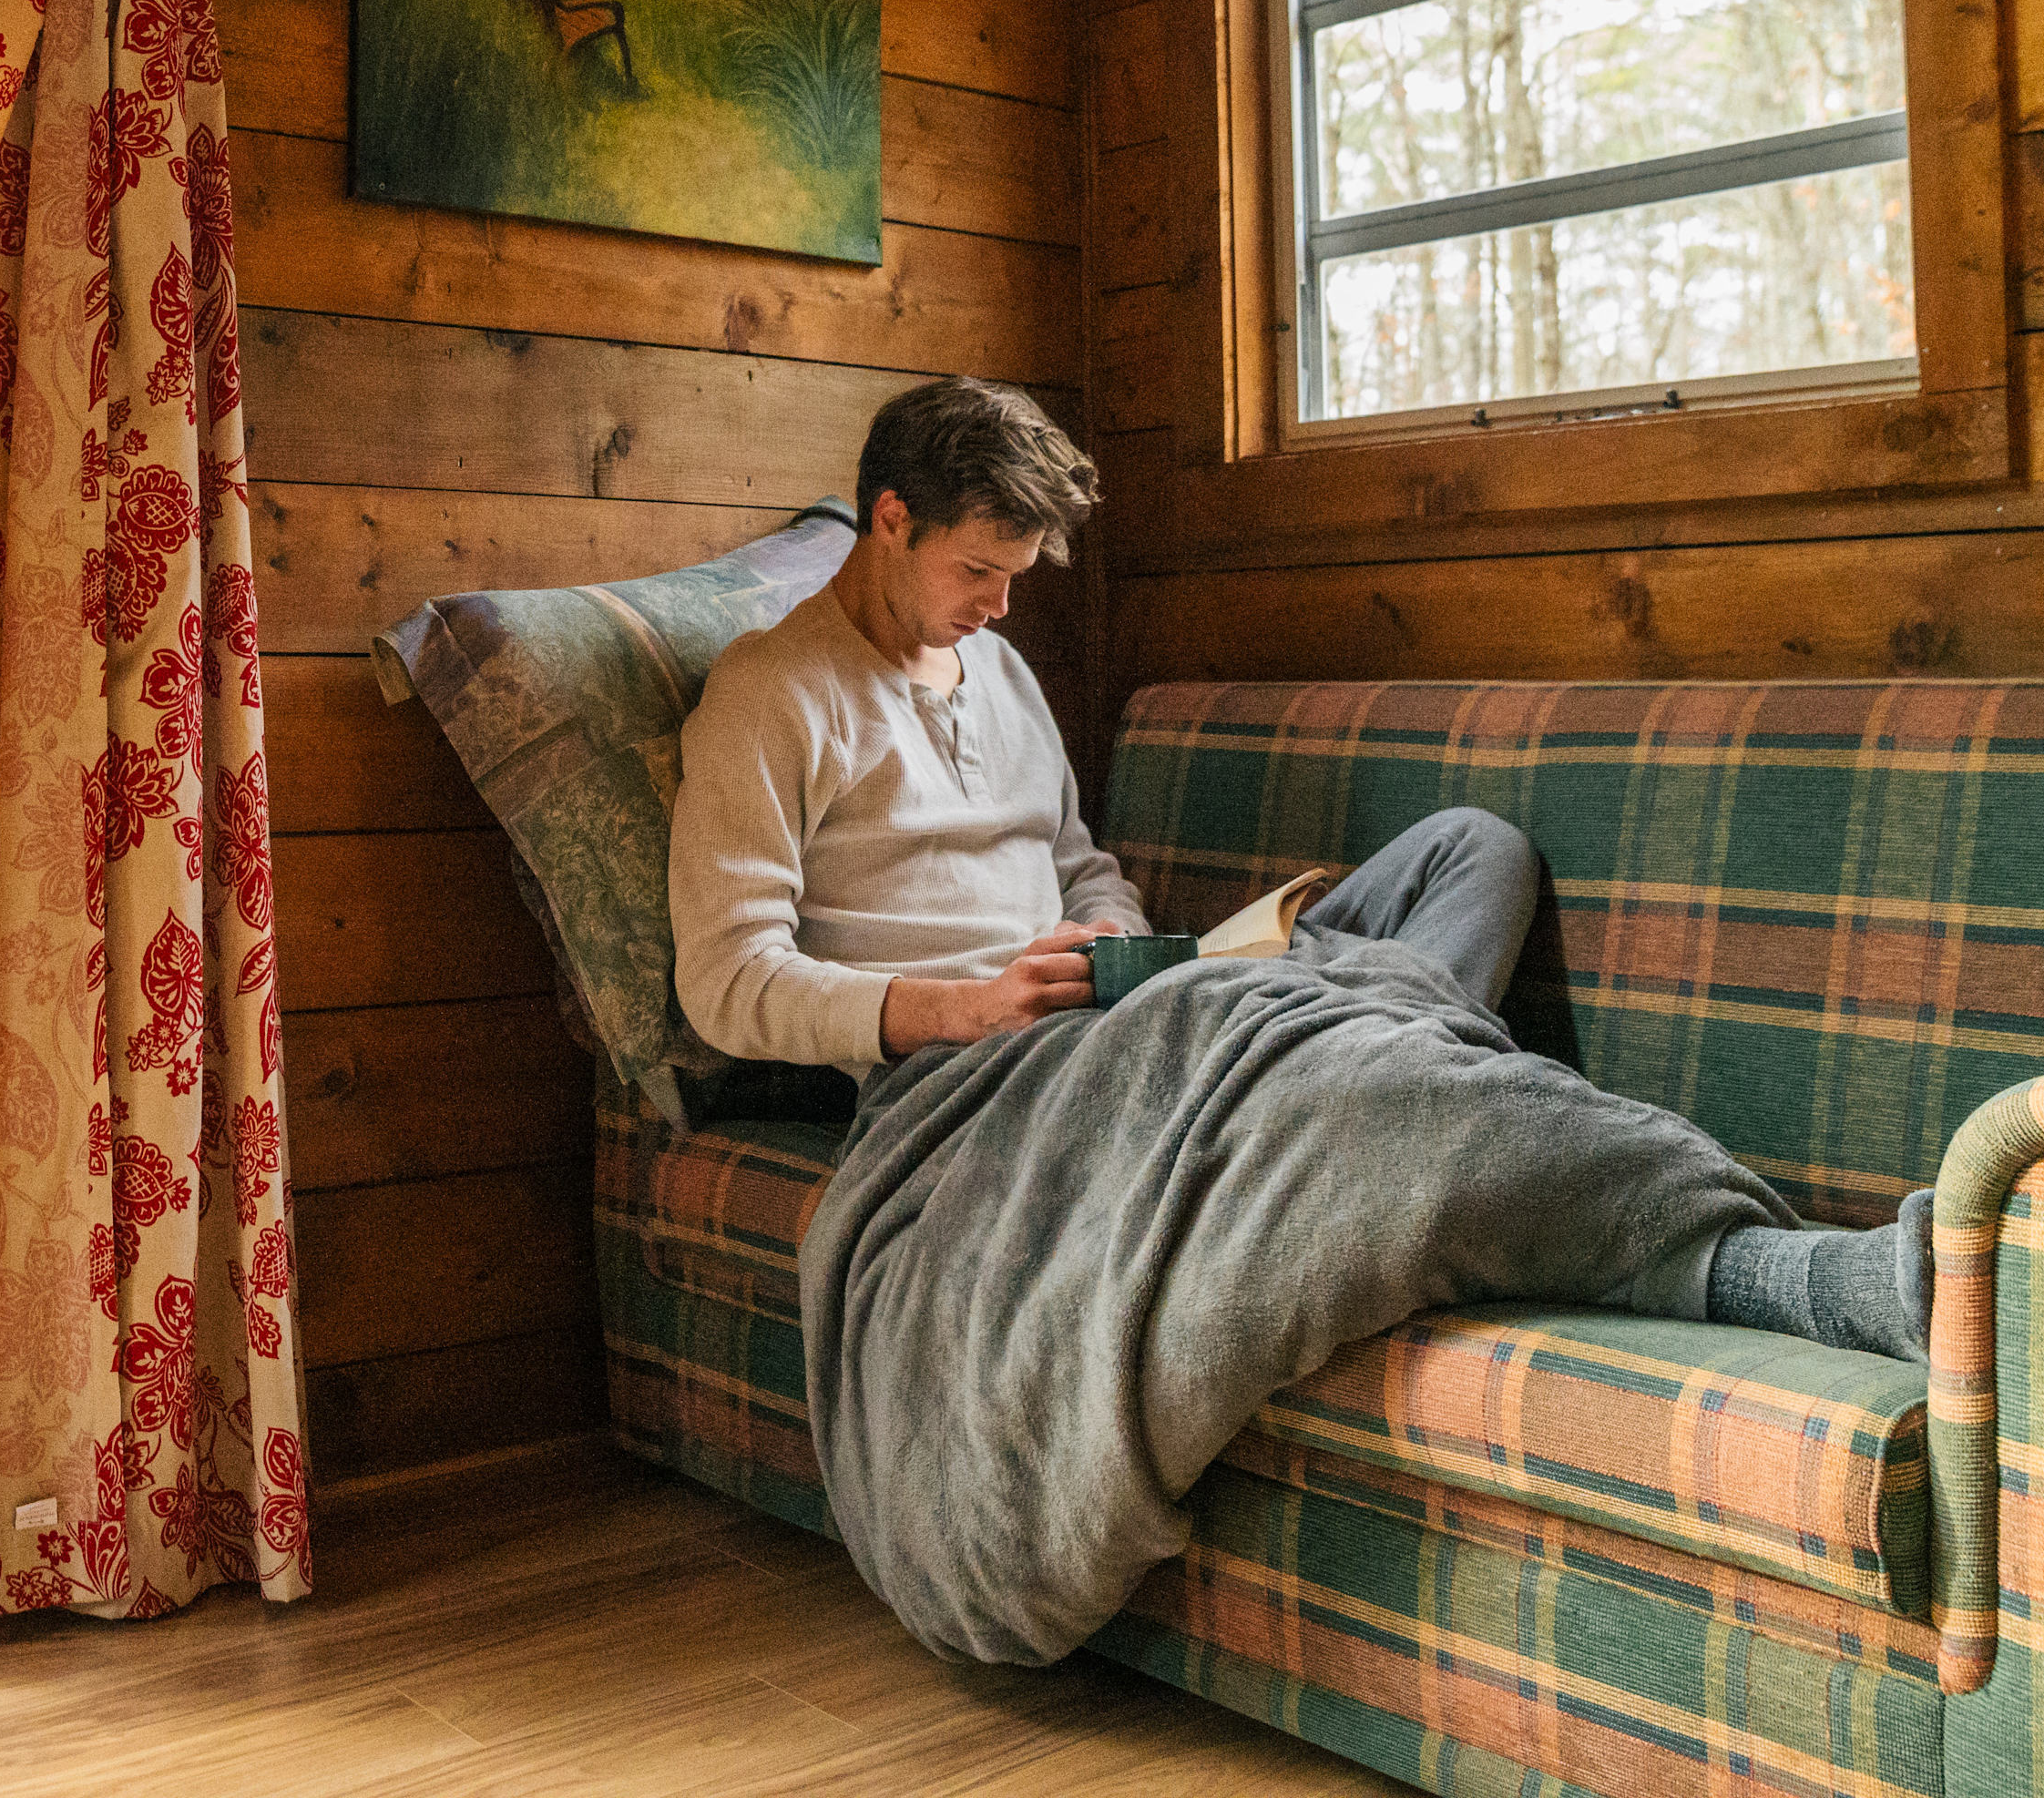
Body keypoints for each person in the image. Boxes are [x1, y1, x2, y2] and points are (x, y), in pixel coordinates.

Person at [668, 375, 1929, 1363]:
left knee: (1473, 853)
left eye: (1016, 578)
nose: (1002, 609)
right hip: (978, 1073)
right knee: (1384, 1082)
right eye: (979, 572)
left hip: (1118, 1009)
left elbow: (1079, 863)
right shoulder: (773, 694)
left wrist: (1113, 939)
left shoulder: (997, 667)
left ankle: (1337, 1064)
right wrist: (960, 1007)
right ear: (892, 520)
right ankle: (1807, 1273)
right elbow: (725, 983)